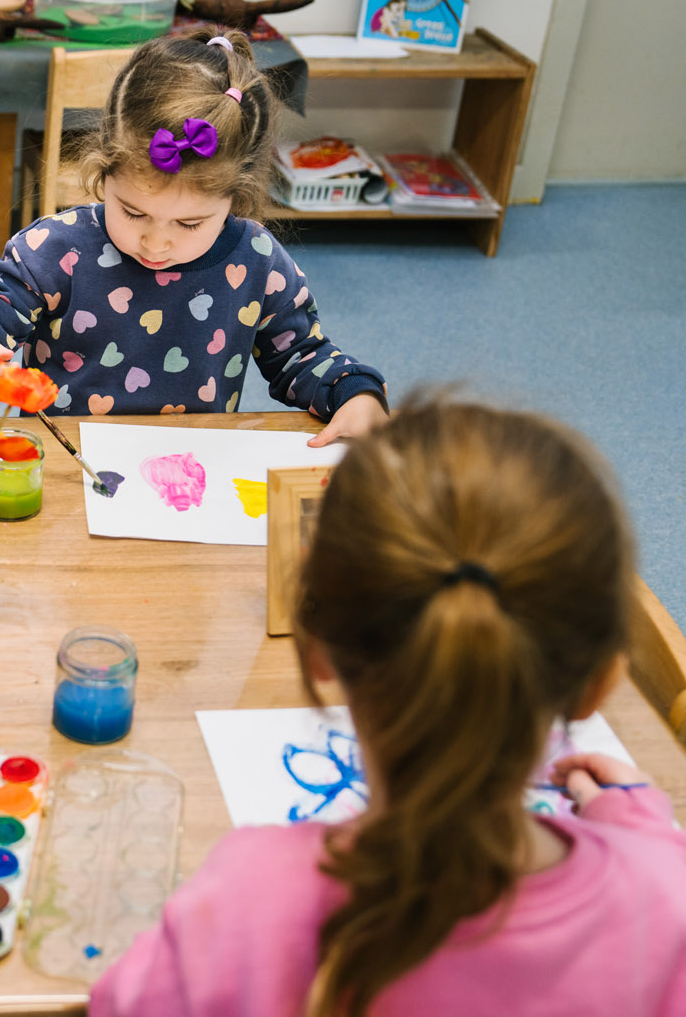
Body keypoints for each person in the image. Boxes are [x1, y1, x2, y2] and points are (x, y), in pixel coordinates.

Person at [91, 400, 686, 1017]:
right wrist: (646, 837)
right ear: (602, 683)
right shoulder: (668, 901)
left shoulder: (250, 902)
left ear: (316, 646)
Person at [0, 29, 386, 447]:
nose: (155, 243)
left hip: (194, 473)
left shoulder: (259, 262)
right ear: (103, 172)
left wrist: (356, 395)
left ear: (237, 198)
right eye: (134, 212)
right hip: (71, 465)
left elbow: (301, 356)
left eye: (190, 224)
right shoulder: (54, 249)